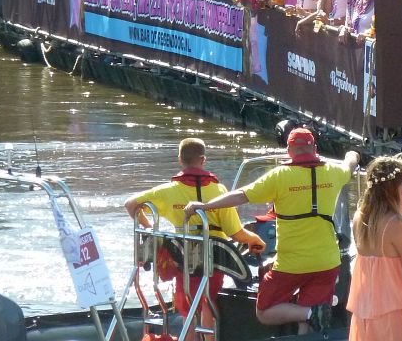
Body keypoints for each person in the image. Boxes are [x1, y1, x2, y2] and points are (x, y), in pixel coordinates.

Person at [183, 128, 360, 336]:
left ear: (289, 151)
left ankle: (312, 312)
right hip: (327, 261)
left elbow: (240, 195)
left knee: (264, 311)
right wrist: (352, 154)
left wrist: (204, 206)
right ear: (314, 148)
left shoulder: (280, 176)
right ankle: (312, 313)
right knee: (307, 324)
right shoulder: (334, 172)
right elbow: (350, 162)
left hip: (291, 263)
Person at [124, 138, 267, 333]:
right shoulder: (219, 190)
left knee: (187, 305)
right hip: (213, 258)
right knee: (209, 299)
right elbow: (237, 233)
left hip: (184, 259)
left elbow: (130, 204)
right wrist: (255, 240)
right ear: (203, 160)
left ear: (180, 160)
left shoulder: (168, 191)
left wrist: (150, 231)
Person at [346, 155, 402, 341]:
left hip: (364, 311)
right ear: (392, 189)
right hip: (394, 313)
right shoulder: (398, 225)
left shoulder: (358, 219)